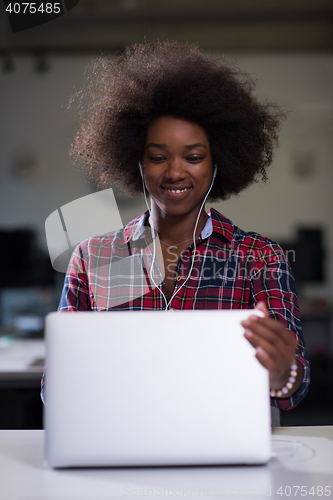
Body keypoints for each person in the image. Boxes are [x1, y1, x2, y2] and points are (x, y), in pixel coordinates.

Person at [42, 40, 309, 411]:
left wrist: (283, 376)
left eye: (194, 157)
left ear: (218, 163)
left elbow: (295, 385)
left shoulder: (260, 258)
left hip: (224, 447)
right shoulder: (93, 258)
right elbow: (53, 387)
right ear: (136, 161)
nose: (175, 171)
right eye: (158, 157)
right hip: (122, 444)